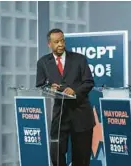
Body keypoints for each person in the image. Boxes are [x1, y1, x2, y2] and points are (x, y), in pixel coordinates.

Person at [36, 28, 95, 166]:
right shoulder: (43, 62)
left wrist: (74, 91)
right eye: (56, 42)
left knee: (81, 158)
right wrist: (50, 88)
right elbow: (40, 86)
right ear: (49, 44)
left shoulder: (79, 59)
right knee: (56, 155)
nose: (61, 44)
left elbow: (89, 82)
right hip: (59, 116)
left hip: (81, 115)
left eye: (62, 40)